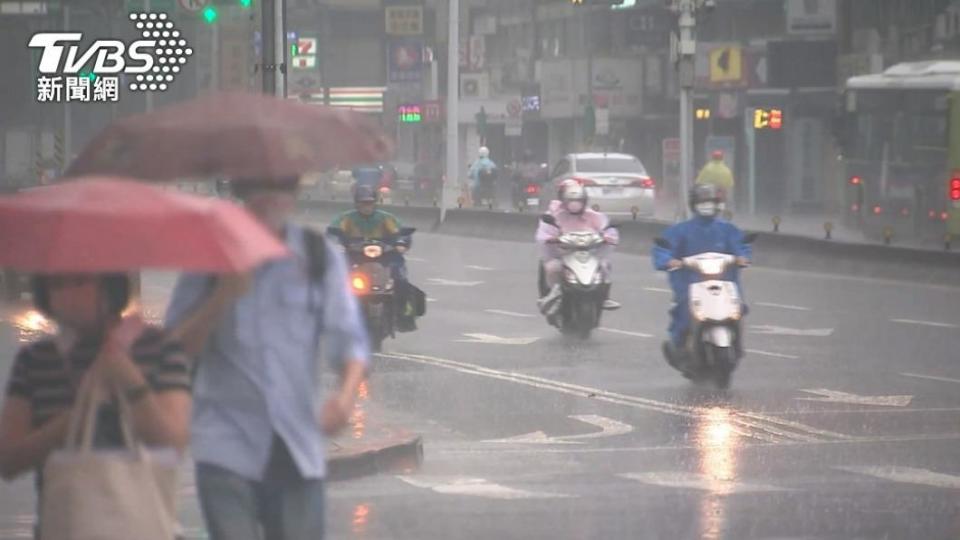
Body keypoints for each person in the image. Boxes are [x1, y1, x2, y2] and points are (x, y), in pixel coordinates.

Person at [164, 177, 369, 540]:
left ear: (294, 192)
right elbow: (174, 349)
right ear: (242, 191)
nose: (270, 198)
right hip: (225, 449)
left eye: (281, 185)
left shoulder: (319, 257)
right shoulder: (209, 260)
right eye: (260, 184)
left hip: (298, 449)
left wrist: (346, 397)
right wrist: (221, 297)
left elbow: (350, 341)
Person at [0, 273, 192, 532]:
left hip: (144, 521)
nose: (69, 296)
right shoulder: (35, 360)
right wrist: (78, 414)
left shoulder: (158, 347)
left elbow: (171, 444)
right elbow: (9, 460)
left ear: (109, 285)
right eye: (57, 285)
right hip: (67, 523)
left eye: (81, 281)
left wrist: (128, 379)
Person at [652, 184, 751, 369]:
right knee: (683, 311)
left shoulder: (727, 229)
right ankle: (679, 346)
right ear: (694, 204)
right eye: (703, 202)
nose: (707, 206)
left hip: (724, 280)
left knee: (738, 308)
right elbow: (664, 248)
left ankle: (737, 345)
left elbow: (741, 245)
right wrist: (668, 261)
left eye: (711, 202)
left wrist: (743, 256)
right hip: (690, 282)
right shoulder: (681, 230)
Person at [330, 184, 416, 331]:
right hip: (355, 257)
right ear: (356, 203)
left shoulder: (386, 218)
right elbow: (332, 234)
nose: (366, 206)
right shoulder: (345, 219)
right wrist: (336, 245)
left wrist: (401, 243)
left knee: (401, 278)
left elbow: (402, 233)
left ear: (375, 202)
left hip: (385, 257)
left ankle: (403, 315)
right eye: (363, 203)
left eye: (369, 202)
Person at [536, 179, 620, 314]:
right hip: (562, 255)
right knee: (552, 268)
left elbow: (607, 229)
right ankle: (555, 296)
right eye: (571, 200)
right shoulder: (554, 215)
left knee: (604, 265)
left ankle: (604, 296)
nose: (575, 205)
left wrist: (606, 237)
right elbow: (544, 233)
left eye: (578, 200)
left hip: (588, 253)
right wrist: (552, 238)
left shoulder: (593, 216)